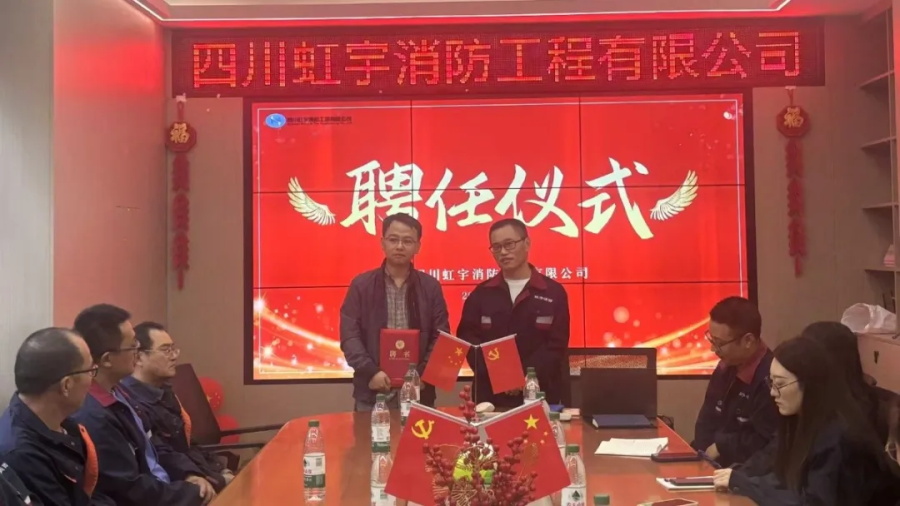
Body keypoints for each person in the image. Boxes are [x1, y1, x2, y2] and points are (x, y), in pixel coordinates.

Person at [712, 335, 900, 505]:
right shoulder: (798, 421)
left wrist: (746, 484)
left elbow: (812, 502)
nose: (772, 393)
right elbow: (774, 470)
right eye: (771, 382)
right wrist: (738, 476)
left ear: (809, 384)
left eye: (780, 384)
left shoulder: (839, 435)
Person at [70, 304, 214, 506]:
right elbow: (130, 490)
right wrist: (190, 493)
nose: (138, 352)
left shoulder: (120, 393)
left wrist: (189, 474)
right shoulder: (94, 416)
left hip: (167, 489)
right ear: (107, 359)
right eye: (132, 346)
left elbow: (155, 446)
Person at [737, 320, 890, 477]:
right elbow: (774, 454)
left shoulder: (847, 422)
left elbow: (809, 486)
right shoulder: (805, 405)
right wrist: (738, 477)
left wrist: (742, 482)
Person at [340, 213, 450, 411]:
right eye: (393, 239)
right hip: (372, 392)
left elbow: (441, 337)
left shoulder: (430, 287)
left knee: (418, 433)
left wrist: (422, 374)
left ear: (418, 246)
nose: (400, 246)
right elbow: (350, 336)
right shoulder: (361, 285)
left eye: (407, 241)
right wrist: (371, 372)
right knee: (369, 434)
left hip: (419, 393)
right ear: (383, 243)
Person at [456, 218, 570, 407]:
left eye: (509, 244)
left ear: (527, 243)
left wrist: (524, 376)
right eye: (496, 247)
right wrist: (503, 376)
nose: (503, 252)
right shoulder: (481, 294)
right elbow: (469, 341)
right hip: (490, 397)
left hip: (539, 393)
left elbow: (556, 345)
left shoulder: (552, 292)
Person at [0, 327, 110, 506]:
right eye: (90, 371)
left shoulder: (63, 422)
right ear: (66, 385)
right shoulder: (22, 454)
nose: (92, 379)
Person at [120, 322, 233, 492]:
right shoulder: (130, 402)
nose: (174, 356)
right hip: (173, 488)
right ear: (139, 357)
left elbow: (186, 444)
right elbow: (162, 455)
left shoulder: (164, 391)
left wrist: (218, 469)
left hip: (196, 476)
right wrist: (212, 479)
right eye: (166, 350)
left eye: (173, 349)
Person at [691, 296, 777, 467]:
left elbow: (765, 441)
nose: (713, 349)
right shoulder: (726, 366)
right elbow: (706, 420)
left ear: (748, 341)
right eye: (711, 340)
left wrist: (722, 446)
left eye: (719, 343)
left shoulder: (771, 378)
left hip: (743, 471)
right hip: (710, 464)